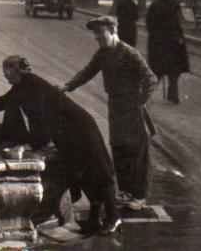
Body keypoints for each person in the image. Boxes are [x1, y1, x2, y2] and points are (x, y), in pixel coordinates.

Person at [0, 56, 122, 234]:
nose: (4, 76)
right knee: (82, 173)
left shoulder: (33, 86)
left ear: (14, 71)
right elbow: (3, 101)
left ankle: (113, 218)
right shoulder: (24, 86)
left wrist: (28, 145)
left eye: (6, 72)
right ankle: (95, 220)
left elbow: (40, 121)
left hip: (80, 130)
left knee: (97, 171)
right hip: (69, 132)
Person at [60, 16, 158, 212]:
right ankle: (126, 191)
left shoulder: (130, 54)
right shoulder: (103, 54)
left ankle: (139, 196)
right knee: (119, 148)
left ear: (113, 31)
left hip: (132, 108)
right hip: (115, 106)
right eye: (95, 33)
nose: (97, 37)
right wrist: (68, 86)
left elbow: (151, 79)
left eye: (100, 32)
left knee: (138, 152)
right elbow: (88, 71)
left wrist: (141, 102)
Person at [146, 0, 190, 104]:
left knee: (157, 72)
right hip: (173, 45)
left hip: (159, 45)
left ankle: (147, 94)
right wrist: (179, 39)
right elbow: (176, 25)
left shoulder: (154, 7)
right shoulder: (173, 7)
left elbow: (149, 25)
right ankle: (173, 94)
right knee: (173, 72)